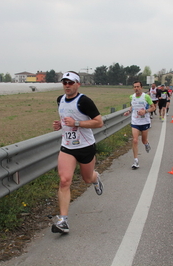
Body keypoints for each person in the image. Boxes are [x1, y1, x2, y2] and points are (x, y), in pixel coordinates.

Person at [52, 71, 104, 234]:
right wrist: (60, 125)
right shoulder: (60, 100)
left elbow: (99, 122)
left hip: (85, 146)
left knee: (87, 178)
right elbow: (65, 118)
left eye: (70, 82)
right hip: (67, 146)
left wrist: (76, 123)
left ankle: (96, 178)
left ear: (77, 84)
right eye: (64, 82)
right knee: (64, 180)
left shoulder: (84, 101)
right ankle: (63, 221)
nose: (67, 85)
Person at [124, 81, 156, 169]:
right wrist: (129, 111)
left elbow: (153, 107)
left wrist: (145, 111)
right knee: (135, 140)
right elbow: (132, 106)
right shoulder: (132, 97)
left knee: (143, 140)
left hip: (144, 121)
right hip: (135, 121)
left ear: (141, 87)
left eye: (138, 87)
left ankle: (146, 144)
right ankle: (136, 161)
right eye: (134, 87)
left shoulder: (146, 97)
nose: (136, 88)